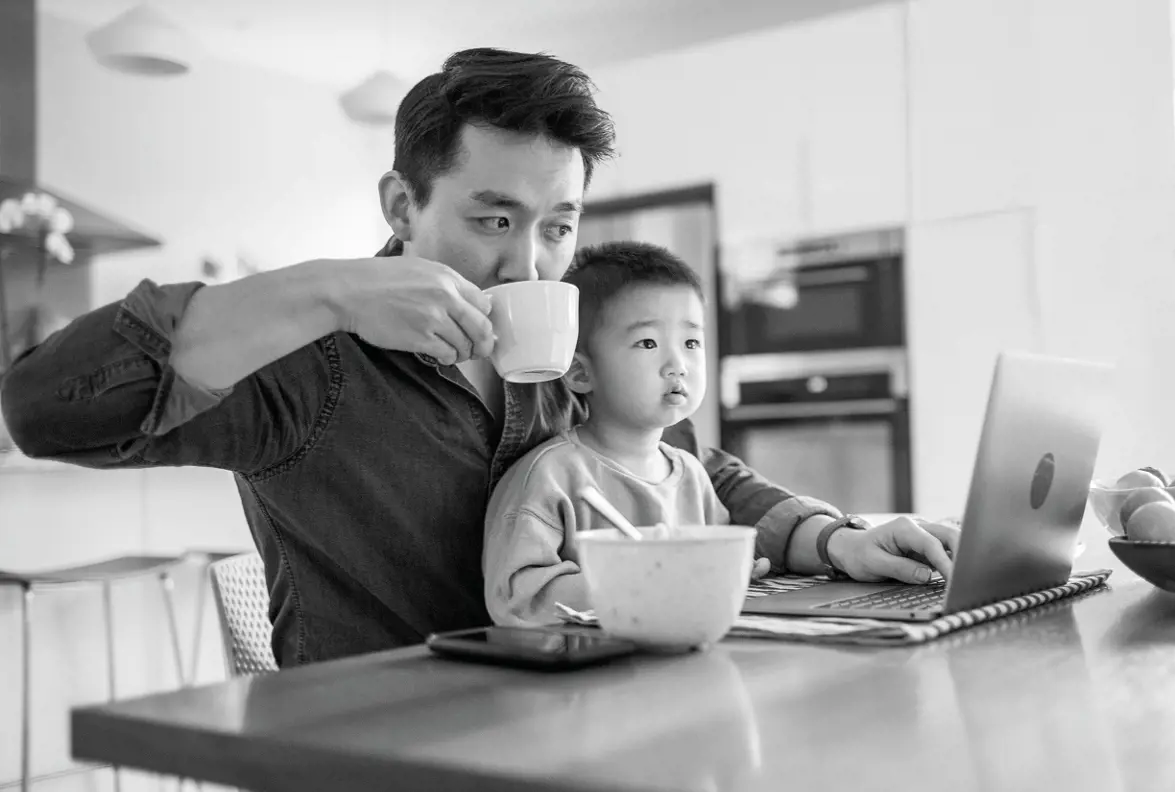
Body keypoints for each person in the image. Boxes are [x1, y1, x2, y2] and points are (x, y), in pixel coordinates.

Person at [0, 47, 957, 667]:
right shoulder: (311, 359)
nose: (525, 262)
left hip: (583, 723)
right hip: (388, 756)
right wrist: (332, 289)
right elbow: (43, 408)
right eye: (493, 218)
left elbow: (689, 467)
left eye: (558, 226)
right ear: (400, 205)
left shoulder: (566, 347)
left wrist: (836, 539)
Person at [484, 241, 735, 626]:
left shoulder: (692, 475)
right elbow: (519, 600)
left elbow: (706, 575)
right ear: (581, 373)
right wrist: (641, 585)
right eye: (648, 342)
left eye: (691, 343)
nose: (678, 365)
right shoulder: (551, 476)